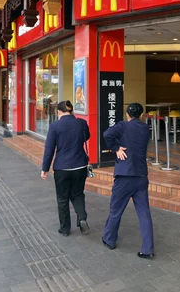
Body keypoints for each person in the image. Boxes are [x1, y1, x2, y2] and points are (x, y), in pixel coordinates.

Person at [102, 103, 154, 259]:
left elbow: (106, 134)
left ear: (127, 114)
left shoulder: (123, 126)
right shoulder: (145, 128)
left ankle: (109, 239)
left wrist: (116, 148)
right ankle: (147, 249)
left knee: (116, 210)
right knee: (144, 213)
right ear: (142, 115)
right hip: (141, 176)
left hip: (124, 176)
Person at [41, 100, 91, 237]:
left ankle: (65, 229)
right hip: (80, 166)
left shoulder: (55, 126)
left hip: (62, 168)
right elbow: (88, 136)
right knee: (78, 194)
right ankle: (81, 217)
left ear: (59, 112)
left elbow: (49, 149)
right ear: (71, 111)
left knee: (63, 198)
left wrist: (45, 168)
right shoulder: (81, 123)